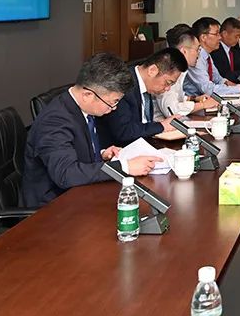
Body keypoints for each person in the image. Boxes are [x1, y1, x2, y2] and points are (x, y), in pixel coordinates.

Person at [22, 53, 161, 208]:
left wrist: (101, 154)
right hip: (53, 207)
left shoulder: (80, 106)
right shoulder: (54, 121)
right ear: (88, 95)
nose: (114, 108)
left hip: (81, 193)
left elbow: (73, 148)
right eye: (112, 102)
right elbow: (66, 174)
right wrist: (125, 166)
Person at [97, 48, 188, 147]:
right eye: (168, 83)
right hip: (117, 150)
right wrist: (161, 126)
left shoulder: (147, 86)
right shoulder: (124, 84)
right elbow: (124, 131)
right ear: (152, 70)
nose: (167, 89)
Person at [155, 24, 219, 119]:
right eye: (197, 49)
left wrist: (195, 99)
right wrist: (203, 105)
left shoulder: (181, 70)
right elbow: (172, 110)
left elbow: (176, 97)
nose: (199, 55)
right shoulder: (169, 70)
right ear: (184, 51)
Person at [185, 17, 240, 97]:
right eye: (216, 34)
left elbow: (218, 79)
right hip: (194, 101)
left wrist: (229, 84)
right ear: (203, 37)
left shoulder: (207, 55)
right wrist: (238, 89)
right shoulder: (196, 57)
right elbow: (208, 89)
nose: (220, 37)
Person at [212, 17, 240, 81]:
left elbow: (237, 70)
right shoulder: (216, 51)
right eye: (236, 36)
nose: (238, 39)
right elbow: (226, 76)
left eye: (239, 36)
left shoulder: (233, 49)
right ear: (225, 34)